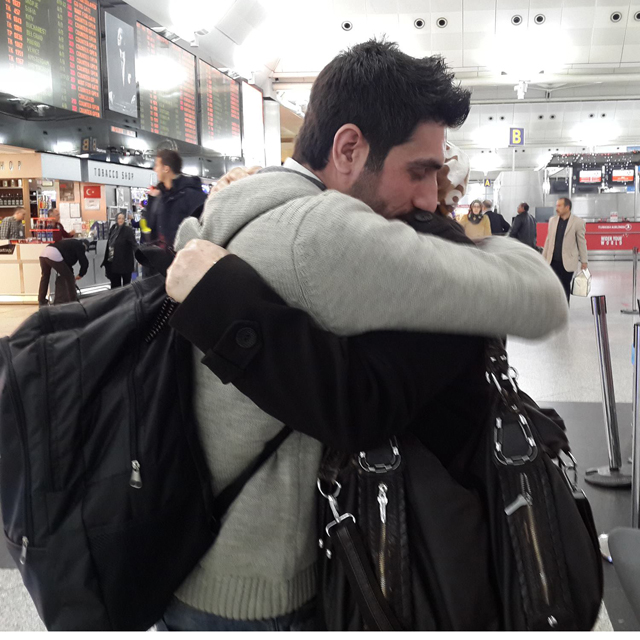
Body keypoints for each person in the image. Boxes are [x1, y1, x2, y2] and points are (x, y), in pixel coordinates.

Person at [161, 40, 567, 632]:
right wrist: (467, 247)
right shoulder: (325, 230)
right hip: (260, 596)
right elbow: (539, 296)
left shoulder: (244, 207)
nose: (429, 197)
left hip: (196, 562)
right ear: (349, 148)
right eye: (419, 171)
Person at [152, 150, 207, 250]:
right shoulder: (162, 197)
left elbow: (204, 232)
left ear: (166, 168)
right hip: (164, 262)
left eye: (157, 165)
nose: (155, 169)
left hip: (186, 260)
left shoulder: (193, 196)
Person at [542, 197, 588, 303]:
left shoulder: (578, 222)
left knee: (565, 287)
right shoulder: (552, 221)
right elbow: (548, 240)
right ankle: (555, 309)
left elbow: (581, 243)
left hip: (567, 262)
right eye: (556, 205)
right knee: (553, 287)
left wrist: (584, 261)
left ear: (567, 207)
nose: (556, 208)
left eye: (559, 206)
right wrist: (543, 258)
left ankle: (565, 310)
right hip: (552, 261)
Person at [38, 238, 89, 306]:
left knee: (45, 276)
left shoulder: (70, 244)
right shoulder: (80, 245)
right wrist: (81, 274)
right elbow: (84, 262)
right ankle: (73, 301)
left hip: (44, 252)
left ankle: (41, 300)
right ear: (85, 246)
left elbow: (66, 264)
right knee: (70, 278)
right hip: (54, 253)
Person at [101, 213, 137, 288]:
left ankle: (127, 299)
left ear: (124, 220)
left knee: (126, 287)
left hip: (125, 263)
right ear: (116, 219)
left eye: (122, 218)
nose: (120, 220)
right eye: (119, 218)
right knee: (115, 286)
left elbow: (134, 244)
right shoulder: (113, 229)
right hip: (113, 262)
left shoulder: (128, 230)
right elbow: (109, 245)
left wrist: (140, 256)